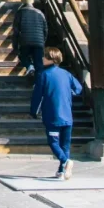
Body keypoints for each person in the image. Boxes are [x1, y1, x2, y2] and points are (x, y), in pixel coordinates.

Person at [30, 46, 83, 180]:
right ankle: (61, 171)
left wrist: (34, 111)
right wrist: (69, 94)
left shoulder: (44, 75)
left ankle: (65, 162)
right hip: (67, 115)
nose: (42, 58)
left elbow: (37, 95)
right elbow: (78, 87)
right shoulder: (66, 74)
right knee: (65, 144)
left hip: (52, 115)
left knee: (53, 142)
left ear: (50, 59)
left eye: (45, 56)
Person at [12, 0, 47, 75]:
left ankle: (29, 67)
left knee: (23, 56)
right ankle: (39, 81)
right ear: (32, 1)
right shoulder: (40, 13)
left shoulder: (19, 13)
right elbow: (45, 30)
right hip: (39, 41)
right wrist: (43, 41)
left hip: (25, 41)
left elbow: (16, 31)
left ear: (22, 1)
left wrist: (15, 46)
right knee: (38, 62)